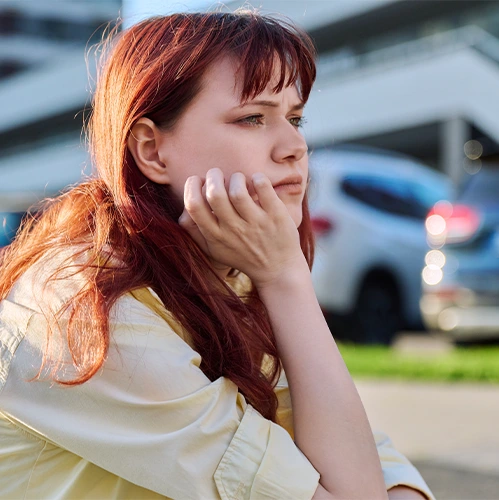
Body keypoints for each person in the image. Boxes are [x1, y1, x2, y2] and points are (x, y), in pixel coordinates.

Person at [0, 11, 434, 500]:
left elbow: (368, 463)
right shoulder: (83, 313)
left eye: (295, 118)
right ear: (152, 152)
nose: (294, 147)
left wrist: (279, 279)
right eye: (253, 118)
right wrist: (286, 277)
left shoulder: (228, 274)